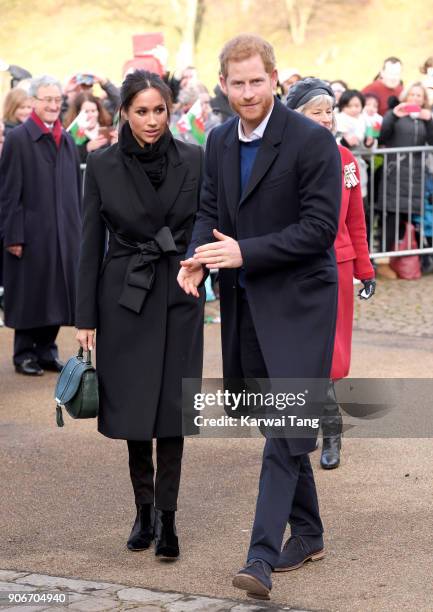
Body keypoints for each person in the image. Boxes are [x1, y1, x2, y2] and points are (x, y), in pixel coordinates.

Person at [177, 35, 341, 600]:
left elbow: (319, 230)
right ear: (223, 85)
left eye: (256, 81)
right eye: (237, 82)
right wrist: (197, 261)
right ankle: (311, 532)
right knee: (281, 423)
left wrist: (246, 251)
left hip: (301, 304)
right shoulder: (219, 140)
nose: (247, 92)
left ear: (275, 79)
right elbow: (208, 212)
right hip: (245, 305)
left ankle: (261, 558)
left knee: (282, 431)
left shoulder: (312, 141)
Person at [75, 70, 204, 560]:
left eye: (160, 110)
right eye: (142, 111)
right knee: (133, 409)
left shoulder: (195, 158)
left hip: (178, 289)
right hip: (124, 297)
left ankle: (169, 520)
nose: (152, 120)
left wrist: (200, 269)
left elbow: (207, 225)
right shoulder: (101, 163)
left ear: (170, 111)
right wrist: (84, 317)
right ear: (124, 113)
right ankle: (143, 510)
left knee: (172, 408)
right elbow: (90, 245)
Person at [286, 78, 376, 470]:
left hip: (334, 266)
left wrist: (365, 267)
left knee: (329, 352)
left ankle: (330, 425)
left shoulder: (345, 160)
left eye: (328, 111)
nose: (324, 119)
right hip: (289, 265)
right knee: (292, 351)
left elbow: (355, 220)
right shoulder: (281, 161)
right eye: (314, 112)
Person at [0, 75, 82, 376]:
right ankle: (24, 354)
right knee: (29, 294)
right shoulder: (19, 138)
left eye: (57, 100)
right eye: (46, 99)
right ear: (33, 101)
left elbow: (75, 187)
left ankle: (47, 350)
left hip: (64, 232)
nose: (52, 105)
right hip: (31, 232)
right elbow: (9, 193)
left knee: (57, 294)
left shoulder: (67, 139)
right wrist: (12, 235)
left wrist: (78, 230)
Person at [377, 81, 433, 278]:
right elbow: (382, 137)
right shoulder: (395, 114)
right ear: (406, 96)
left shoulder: (425, 118)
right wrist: (393, 115)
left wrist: (431, 119)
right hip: (396, 172)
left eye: (420, 96)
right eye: (413, 95)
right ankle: (383, 261)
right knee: (392, 215)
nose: (415, 99)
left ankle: (412, 260)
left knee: (413, 218)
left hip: (417, 174)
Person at [63, 92, 115, 163]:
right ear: (77, 113)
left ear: (98, 112)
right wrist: (87, 148)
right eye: (86, 112)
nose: (90, 115)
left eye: (93, 111)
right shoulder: (72, 133)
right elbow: (67, 159)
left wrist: (115, 145)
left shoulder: (107, 130)